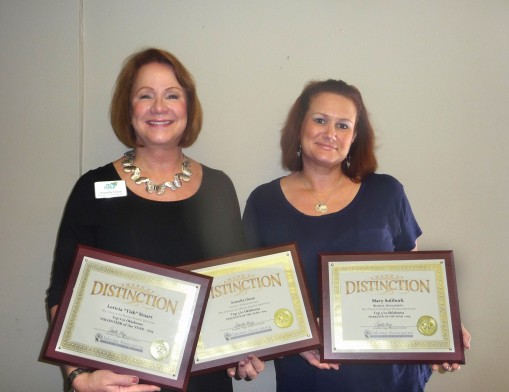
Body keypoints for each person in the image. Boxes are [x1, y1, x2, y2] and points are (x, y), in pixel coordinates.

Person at [46, 48, 263, 392]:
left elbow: (232, 293)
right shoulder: (95, 188)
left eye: (171, 95)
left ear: (188, 108)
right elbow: (62, 293)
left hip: (203, 383)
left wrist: (243, 348)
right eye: (145, 95)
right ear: (128, 109)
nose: (159, 107)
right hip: (122, 385)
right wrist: (79, 378)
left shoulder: (219, 187)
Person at [242, 79, 471, 392]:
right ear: (300, 126)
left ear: (355, 137)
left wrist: (443, 327)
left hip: (388, 377)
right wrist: (297, 339)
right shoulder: (263, 202)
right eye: (320, 120)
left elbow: (415, 278)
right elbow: (253, 296)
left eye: (343, 125)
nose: (330, 133)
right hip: (307, 375)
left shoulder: (387, 193)